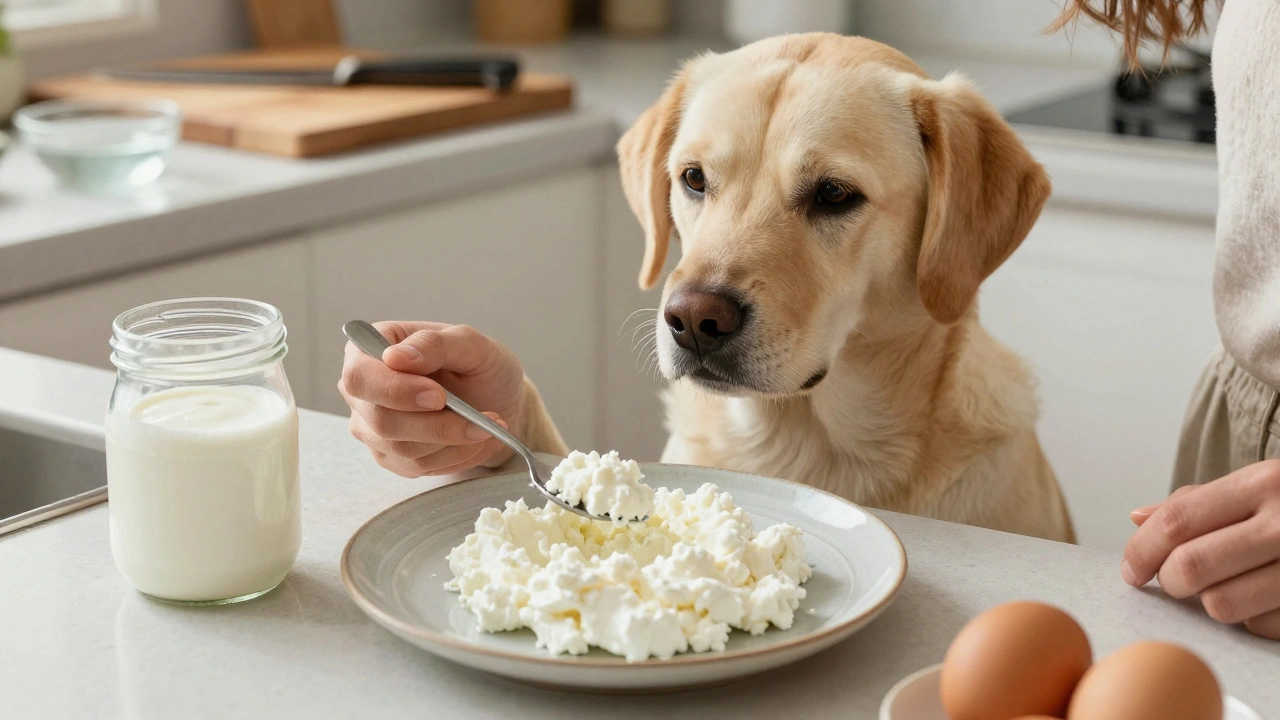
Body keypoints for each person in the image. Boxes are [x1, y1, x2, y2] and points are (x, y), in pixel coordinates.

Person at [338, 0, 1280, 639]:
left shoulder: (1006, 510)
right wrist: (509, 436)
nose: (702, 293)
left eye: (830, 197)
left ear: (949, 226)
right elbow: (631, 611)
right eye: (697, 182)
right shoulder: (702, 457)